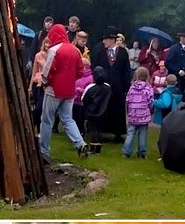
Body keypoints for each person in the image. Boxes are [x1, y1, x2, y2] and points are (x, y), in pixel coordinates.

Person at [38, 24, 89, 161]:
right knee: (67, 119)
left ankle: (44, 151)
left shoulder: (54, 50)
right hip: (69, 90)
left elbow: (47, 71)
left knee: (47, 120)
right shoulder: (75, 51)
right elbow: (80, 71)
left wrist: (44, 83)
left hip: (53, 90)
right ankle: (80, 143)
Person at [91, 26, 131, 142]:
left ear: (112, 40)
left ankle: (118, 133)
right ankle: (101, 132)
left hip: (118, 86)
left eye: (106, 39)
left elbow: (126, 71)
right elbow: (95, 68)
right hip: (103, 86)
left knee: (117, 109)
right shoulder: (100, 52)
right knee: (103, 108)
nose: (103, 42)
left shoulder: (123, 52)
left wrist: (126, 87)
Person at [123, 66, 155, 159]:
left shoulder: (132, 87)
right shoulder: (148, 88)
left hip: (133, 114)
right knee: (142, 134)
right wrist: (151, 110)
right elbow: (151, 101)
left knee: (131, 133)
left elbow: (128, 100)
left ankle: (126, 151)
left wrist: (129, 111)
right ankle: (142, 153)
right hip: (143, 114)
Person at [81, 67, 113, 155]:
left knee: (93, 129)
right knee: (99, 129)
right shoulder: (108, 87)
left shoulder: (90, 87)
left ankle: (93, 148)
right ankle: (98, 149)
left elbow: (83, 99)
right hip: (104, 111)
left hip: (92, 111)